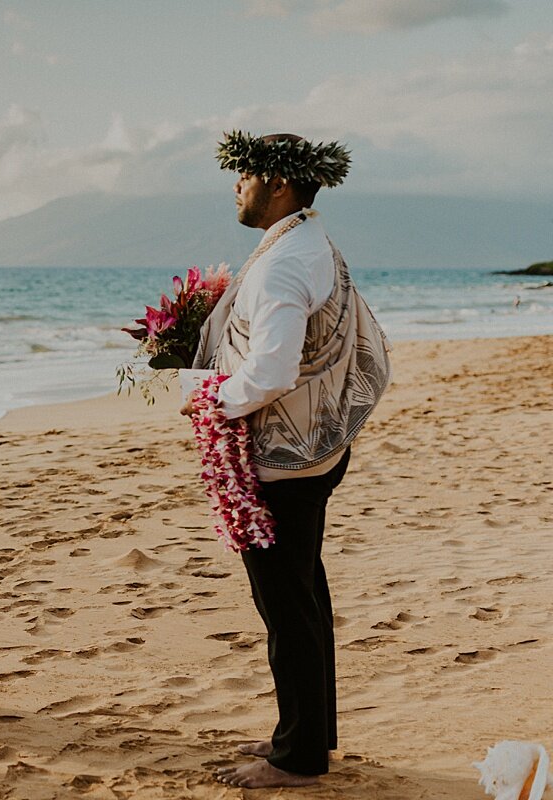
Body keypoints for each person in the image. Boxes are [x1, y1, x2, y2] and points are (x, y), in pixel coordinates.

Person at [184, 131, 391, 788]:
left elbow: (270, 372)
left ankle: (298, 757)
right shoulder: (308, 244)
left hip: (284, 459)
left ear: (278, 182)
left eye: (242, 173)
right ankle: (307, 733)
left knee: (286, 608)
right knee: (303, 598)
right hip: (318, 448)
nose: (235, 185)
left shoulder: (282, 263)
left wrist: (211, 403)